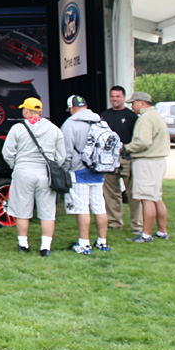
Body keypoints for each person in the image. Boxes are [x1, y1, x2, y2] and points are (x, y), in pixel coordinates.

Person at [2, 97, 66, 257]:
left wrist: (16, 165)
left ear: (26, 110)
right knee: (47, 210)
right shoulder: (54, 129)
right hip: (45, 172)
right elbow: (61, 156)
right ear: (40, 111)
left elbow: (7, 152)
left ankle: (23, 244)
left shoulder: (17, 128)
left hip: (23, 170)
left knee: (22, 209)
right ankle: (46, 247)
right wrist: (53, 166)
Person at [60, 95, 110, 254]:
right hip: (99, 170)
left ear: (72, 108)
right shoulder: (101, 121)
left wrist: (65, 170)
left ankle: (84, 243)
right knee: (99, 207)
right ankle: (102, 242)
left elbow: (66, 151)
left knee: (82, 208)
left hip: (79, 171)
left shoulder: (70, 124)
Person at [124, 91, 170, 243]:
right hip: (158, 160)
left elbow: (143, 142)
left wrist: (127, 148)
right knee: (157, 197)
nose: (132, 106)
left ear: (141, 102)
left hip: (147, 161)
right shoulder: (156, 115)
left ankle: (146, 234)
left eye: (133, 103)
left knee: (146, 198)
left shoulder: (145, 118)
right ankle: (162, 231)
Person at [100, 85, 140, 233]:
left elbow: (136, 139)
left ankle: (137, 224)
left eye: (118, 96)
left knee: (133, 193)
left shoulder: (132, 116)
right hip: (109, 160)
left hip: (127, 159)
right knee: (111, 192)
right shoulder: (104, 116)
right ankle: (114, 222)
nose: (114, 99)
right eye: (112, 96)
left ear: (123, 97)